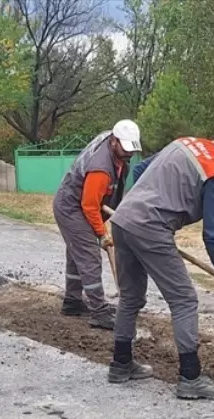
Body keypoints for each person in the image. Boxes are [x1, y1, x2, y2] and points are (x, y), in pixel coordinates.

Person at [105, 123, 214, 400]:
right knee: (184, 300)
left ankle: (120, 364)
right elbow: (213, 235)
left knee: (130, 298)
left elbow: (141, 171)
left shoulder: (185, 142)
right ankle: (190, 377)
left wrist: (153, 203)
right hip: (150, 228)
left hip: (123, 220)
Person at [52, 120, 143, 330]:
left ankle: (72, 302)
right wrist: (102, 235)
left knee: (77, 256)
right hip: (71, 207)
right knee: (89, 256)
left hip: (78, 204)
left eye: (131, 149)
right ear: (113, 142)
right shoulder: (101, 168)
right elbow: (90, 205)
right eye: (125, 148)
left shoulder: (115, 154)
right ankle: (99, 311)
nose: (129, 153)